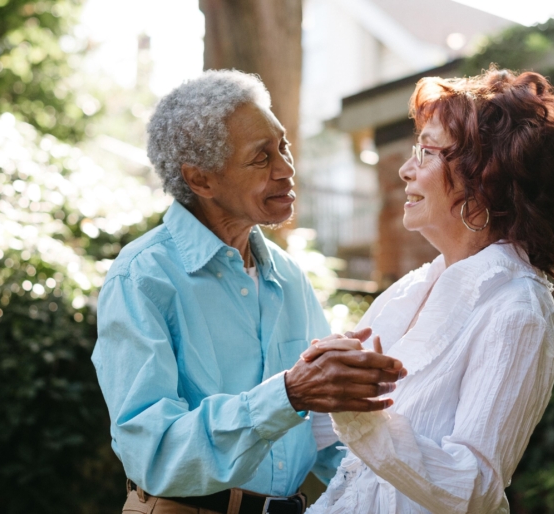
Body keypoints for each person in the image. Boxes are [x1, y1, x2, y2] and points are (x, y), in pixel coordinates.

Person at [91, 70, 405, 514]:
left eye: (283, 146)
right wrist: (288, 394)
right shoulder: (142, 278)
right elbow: (154, 454)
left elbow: (327, 431)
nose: (286, 169)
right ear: (201, 180)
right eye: (261, 158)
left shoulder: (289, 276)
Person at [304, 68, 554, 513]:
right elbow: (323, 433)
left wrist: (360, 417)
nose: (405, 168)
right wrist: (318, 377)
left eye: (428, 151)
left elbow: (472, 487)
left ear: (486, 179)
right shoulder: (409, 291)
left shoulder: (517, 308)